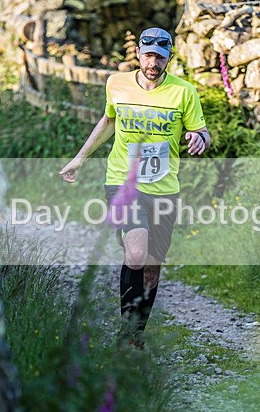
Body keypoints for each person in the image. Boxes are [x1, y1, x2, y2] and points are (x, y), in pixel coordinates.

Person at [60, 27, 211, 347]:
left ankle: (136, 333)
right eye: (148, 56)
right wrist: (79, 159)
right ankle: (126, 335)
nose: (153, 63)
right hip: (122, 181)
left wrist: (199, 138)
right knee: (137, 252)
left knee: (152, 265)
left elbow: (202, 131)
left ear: (170, 57)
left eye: (160, 57)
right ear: (139, 54)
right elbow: (109, 121)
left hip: (164, 187)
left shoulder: (184, 92)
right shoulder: (117, 84)